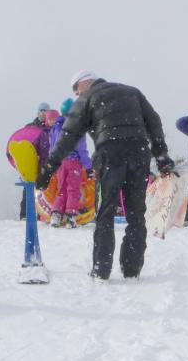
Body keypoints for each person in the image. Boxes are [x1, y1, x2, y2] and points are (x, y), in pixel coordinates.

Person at [39, 71, 171, 281]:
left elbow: (68, 135)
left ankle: (102, 268)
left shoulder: (87, 97)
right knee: (136, 213)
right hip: (139, 152)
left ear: (83, 84)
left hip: (110, 153)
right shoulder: (132, 91)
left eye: (76, 90)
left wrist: (48, 169)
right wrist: (161, 154)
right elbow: (154, 122)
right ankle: (131, 268)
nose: (76, 94)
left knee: (106, 211)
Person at [47, 97, 92, 227]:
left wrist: (52, 163)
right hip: (73, 162)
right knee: (73, 189)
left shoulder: (56, 127)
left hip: (60, 162)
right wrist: (88, 167)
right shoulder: (77, 126)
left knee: (61, 189)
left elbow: (52, 147)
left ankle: (56, 214)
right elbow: (82, 149)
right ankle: (71, 216)